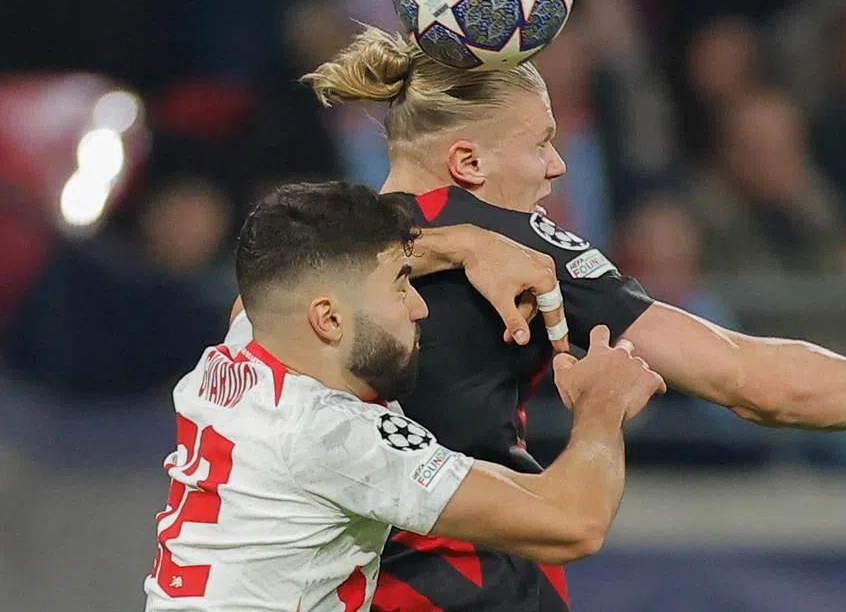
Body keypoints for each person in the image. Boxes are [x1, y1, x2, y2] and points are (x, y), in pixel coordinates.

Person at [292, 26, 846, 612]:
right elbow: (750, 379)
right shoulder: (520, 245)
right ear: (468, 163)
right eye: (543, 143)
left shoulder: (301, 256)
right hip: (464, 586)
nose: (558, 167)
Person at [144, 181, 665, 611]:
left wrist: (465, 243)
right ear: (328, 319)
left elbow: (260, 293)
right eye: (399, 284)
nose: (419, 307)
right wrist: (603, 404)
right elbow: (574, 524)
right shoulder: (334, 435)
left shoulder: (238, 353)